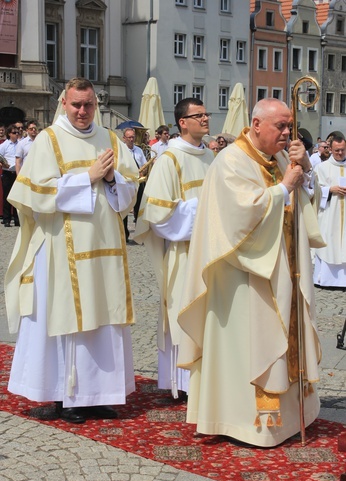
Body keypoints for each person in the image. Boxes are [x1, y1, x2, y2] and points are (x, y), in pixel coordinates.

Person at [177, 98, 325, 447]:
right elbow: (239, 218)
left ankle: (288, 416)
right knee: (251, 342)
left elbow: (304, 200)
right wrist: (284, 188)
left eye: (289, 126)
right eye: (281, 126)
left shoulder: (282, 157)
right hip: (244, 277)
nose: (288, 133)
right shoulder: (232, 161)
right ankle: (246, 422)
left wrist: (304, 174)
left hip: (282, 267)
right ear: (256, 124)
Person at [5, 77, 139, 424]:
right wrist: (88, 176)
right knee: (70, 321)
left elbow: (129, 193)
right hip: (61, 250)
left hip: (105, 246)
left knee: (104, 317)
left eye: (89, 104)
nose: (82, 111)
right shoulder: (48, 141)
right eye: (76, 104)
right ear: (64, 103)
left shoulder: (110, 139)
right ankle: (68, 397)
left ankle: (99, 395)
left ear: (96, 104)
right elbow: (34, 196)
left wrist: (111, 180)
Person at [134, 98, 215, 398]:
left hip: (212, 251)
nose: (206, 119)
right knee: (187, 311)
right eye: (199, 115)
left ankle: (209, 378)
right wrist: (203, 209)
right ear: (183, 122)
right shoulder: (169, 160)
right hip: (185, 252)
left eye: (206, 114)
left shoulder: (212, 158)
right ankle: (186, 382)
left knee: (211, 315)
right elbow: (157, 214)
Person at [313, 135, 346, 287]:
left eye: (343, 150)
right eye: (337, 150)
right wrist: (330, 189)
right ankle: (326, 279)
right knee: (329, 242)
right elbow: (313, 190)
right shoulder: (322, 168)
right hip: (329, 213)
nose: (340, 153)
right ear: (331, 150)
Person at [122, 127, 148, 227]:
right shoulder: (121, 149)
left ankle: (139, 230)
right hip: (127, 182)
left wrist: (143, 170)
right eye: (129, 137)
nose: (131, 139)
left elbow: (144, 164)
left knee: (139, 206)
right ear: (124, 138)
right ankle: (125, 233)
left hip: (138, 181)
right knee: (125, 207)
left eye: (133, 137)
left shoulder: (139, 150)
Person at [0, 124, 20, 227]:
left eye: (17, 132)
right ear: (9, 134)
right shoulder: (4, 145)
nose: (16, 134)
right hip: (7, 172)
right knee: (7, 196)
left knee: (17, 196)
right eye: (14, 133)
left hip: (17, 173)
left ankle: (17, 219)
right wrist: (2, 163)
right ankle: (6, 219)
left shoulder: (20, 144)